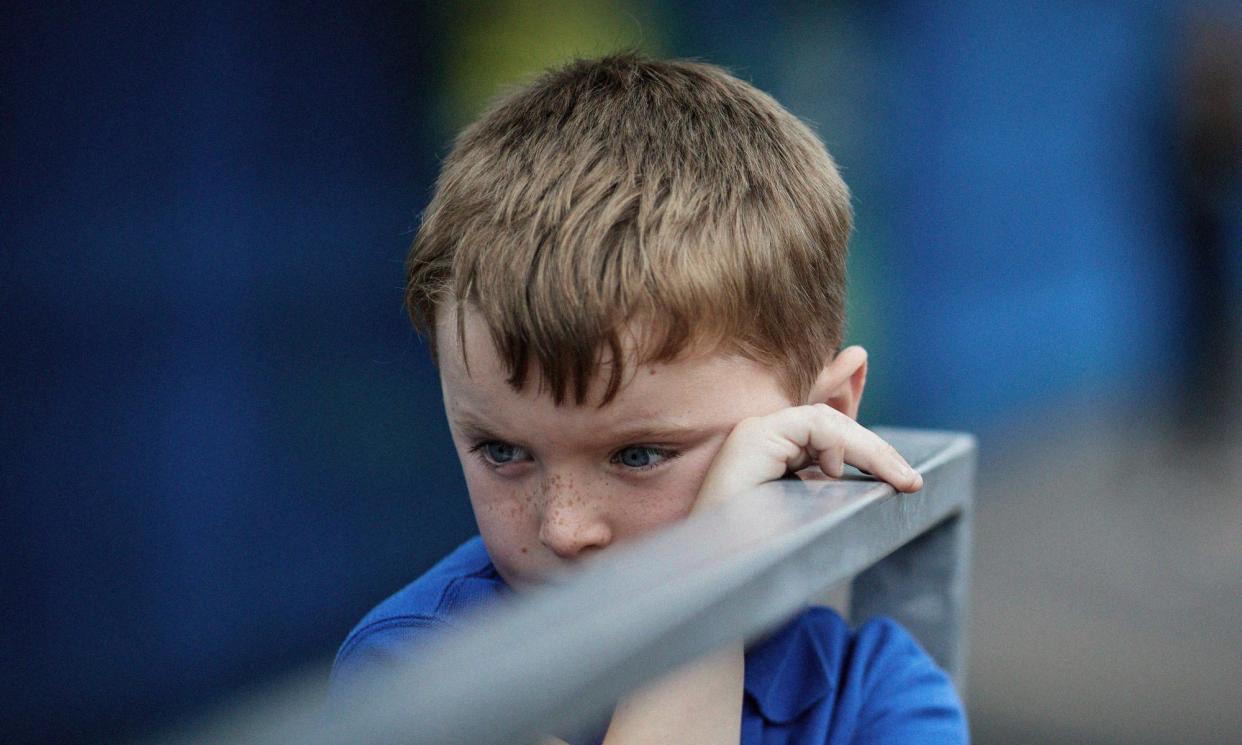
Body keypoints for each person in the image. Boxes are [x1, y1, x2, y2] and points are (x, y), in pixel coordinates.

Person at [330, 53, 968, 744]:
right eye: (502, 449)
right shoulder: (414, 679)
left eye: (639, 453)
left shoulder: (872, 696)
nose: (563, 530)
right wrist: (711, 583)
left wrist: (711, 563)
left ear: (823, 420)